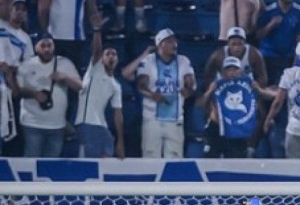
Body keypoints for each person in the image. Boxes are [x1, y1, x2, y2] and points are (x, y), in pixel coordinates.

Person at [128, 29, 196, 159]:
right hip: (152, 118)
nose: (174, 44)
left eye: (175, 41)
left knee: (175, 159)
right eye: (169, 41)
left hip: (175, 118)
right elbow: (141, 85)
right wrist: (152, 95)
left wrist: (188, 90)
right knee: (150, 157)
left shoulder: (183, 61)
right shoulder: (148, 61)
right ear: (160, 44)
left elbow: (190, 83)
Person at [17, 35, 80, 157]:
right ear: (36, 48)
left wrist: (65, 77)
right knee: (31, 162)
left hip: (57, 125)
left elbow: (80, 87)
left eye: (49, 45)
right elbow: (17, 91)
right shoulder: (26, 65)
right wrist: (34, 94)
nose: (46, 49)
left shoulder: (65, 63)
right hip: (32, 123)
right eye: (43, 46)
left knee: (51, 165)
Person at [201, 56, 271, 159]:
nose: (232, 72)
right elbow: (202, 103)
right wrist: (210, 91)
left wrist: (258, 89)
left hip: (238, 131)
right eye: (229, 69)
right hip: (218, 128)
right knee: (211, 158)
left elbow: (265, 96)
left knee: (237, 161)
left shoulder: (249, 83)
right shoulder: (217, 85)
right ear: (223, 72)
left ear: (240, 71)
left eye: (235, 69)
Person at [75, 28, 124, 159]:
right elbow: (96, 51)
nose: (111, 57)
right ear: (101, 59)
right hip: (86, 123)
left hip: (103, 128)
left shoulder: (116, 85)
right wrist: (97, 30)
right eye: (108, 54)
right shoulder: (95, 70)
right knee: (88, 166)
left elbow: (118, 113)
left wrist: (120, 140)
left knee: (106, 162)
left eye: (114, 54)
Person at [257, 0, 300, 83]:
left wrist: (296, 63)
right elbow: (258, 35)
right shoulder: (268, 12)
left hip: (289, 57)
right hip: (268, 55)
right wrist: (271, 25)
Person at [203, 26, 268, 87]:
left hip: (247, 87)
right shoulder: (218, 56)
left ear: (245, 43)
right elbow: (208, 77)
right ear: (228, 43)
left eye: (240, 44)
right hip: (224, 87)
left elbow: (263, 77)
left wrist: (254, 88)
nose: (237, 48)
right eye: (233, 44)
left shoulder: (254, 54)